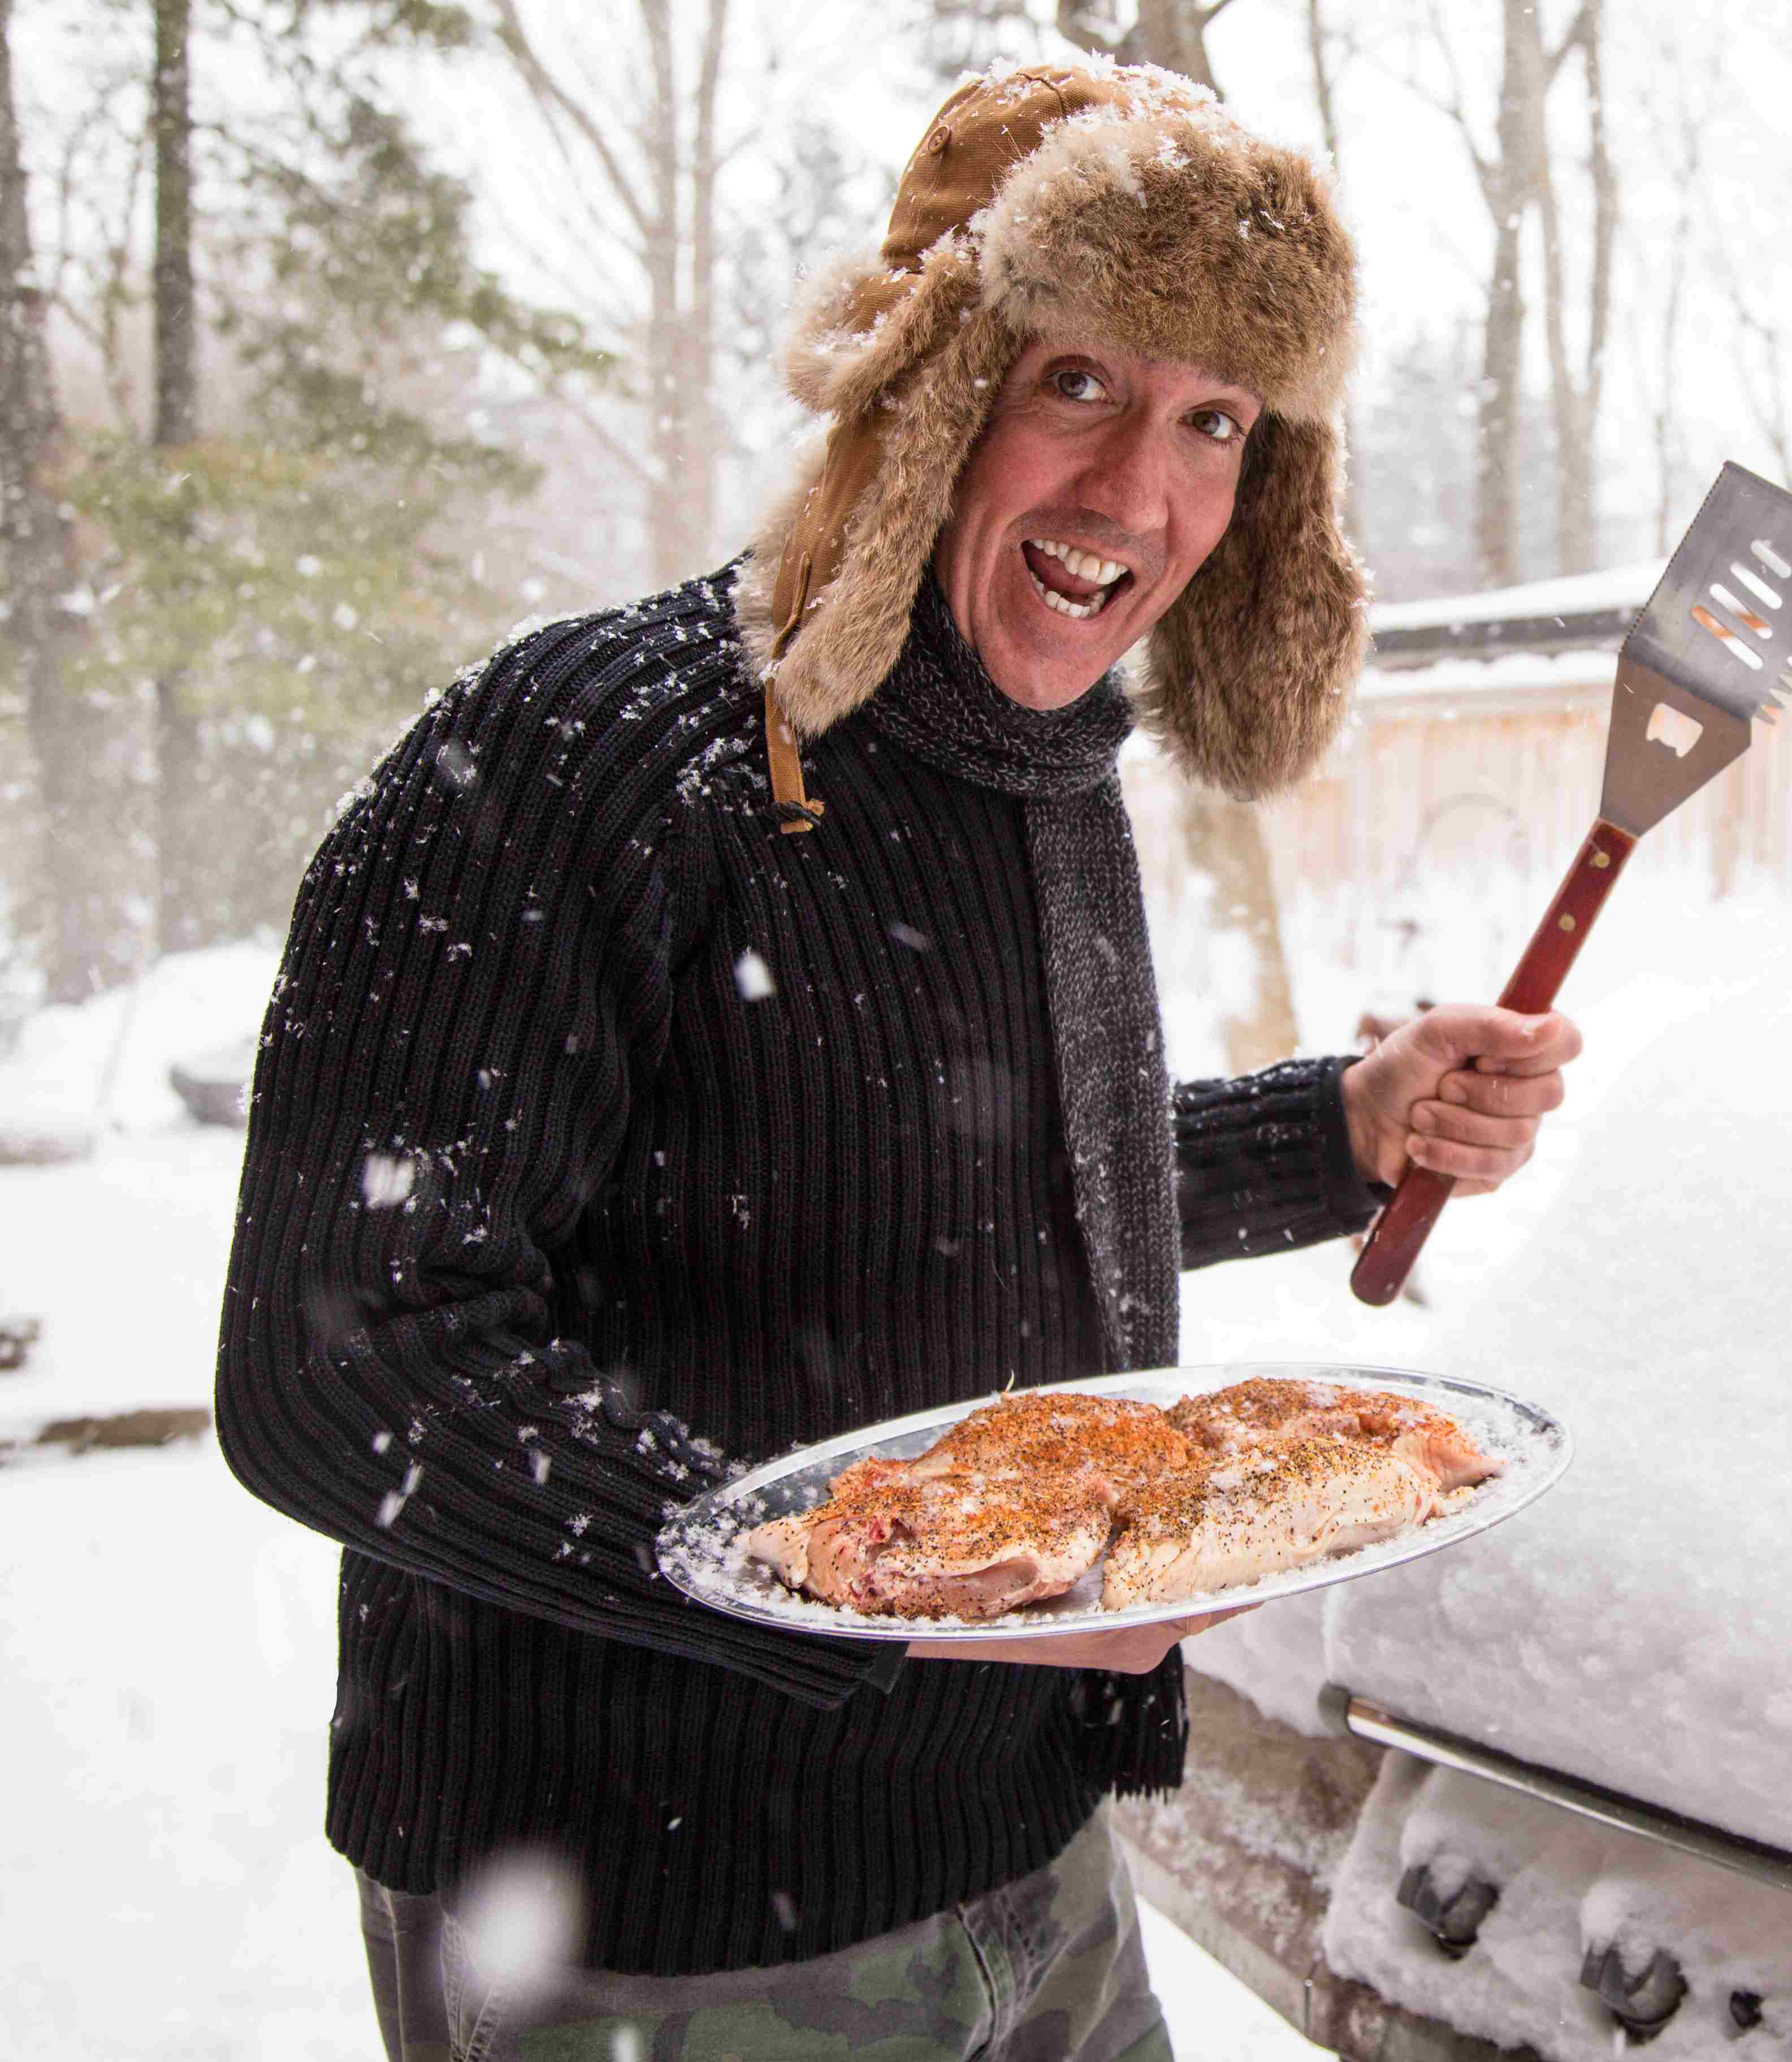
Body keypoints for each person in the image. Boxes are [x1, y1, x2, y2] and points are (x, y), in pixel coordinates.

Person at [214, 60, 1578, 2061]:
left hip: (1024, 1858)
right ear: (935, 381)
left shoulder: (1039, 782)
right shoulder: (583, 754)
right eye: (1082, 382)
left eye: (1215, 417)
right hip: (642, 1911)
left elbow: (925, 1179)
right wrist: (873, 1588)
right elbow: (348, 1363)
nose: (1142, 493)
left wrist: (1339, 1132)